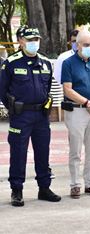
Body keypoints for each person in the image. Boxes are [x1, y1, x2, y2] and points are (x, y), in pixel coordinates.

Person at [0, 27, 61, 207]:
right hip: (21, 115)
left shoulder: (45, 63)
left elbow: (47, 87)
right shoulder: (11, 63)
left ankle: (44, 188)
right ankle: (16, 190)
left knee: (43, 151)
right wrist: (13, 107)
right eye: (30, 39)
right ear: (20, 41)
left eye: (36, 39)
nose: (34, 42)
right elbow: (2, 90)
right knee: (18, 152)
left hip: (41, 115)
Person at [61, 30, 90, 198]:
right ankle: (75, 184)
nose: (89, 48)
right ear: (77, 45)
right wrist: (87, 103)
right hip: (77, 111)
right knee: (76, 150)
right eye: (86, 45)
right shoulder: (68, 63)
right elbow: (68, 89)